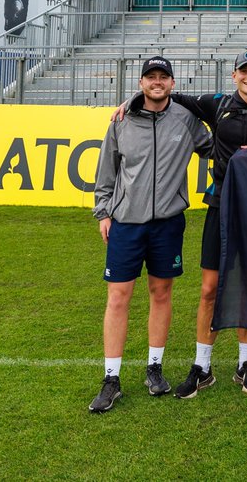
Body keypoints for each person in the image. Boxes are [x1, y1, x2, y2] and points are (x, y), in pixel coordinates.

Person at [89, 56, 213, 413]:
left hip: (168, 222)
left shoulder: (187, 119)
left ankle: (154, 368)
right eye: (150, 77)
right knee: (118, 297)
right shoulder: (122, 119)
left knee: (161, 292)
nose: (157, 82)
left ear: (172, 83)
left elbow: (214, 149)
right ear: (141, 82)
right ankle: (111, 378)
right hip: (126, 221)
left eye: (163, 77)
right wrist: (104, 212)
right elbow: (107, 169)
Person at [164, 48, 247, 398]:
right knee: (210, 288)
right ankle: (202, 367)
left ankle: (245, 365)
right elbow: (167, 95)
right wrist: (130, 104)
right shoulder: (216, 104)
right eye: (244, 71)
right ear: (234, 75)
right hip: (220, 203)